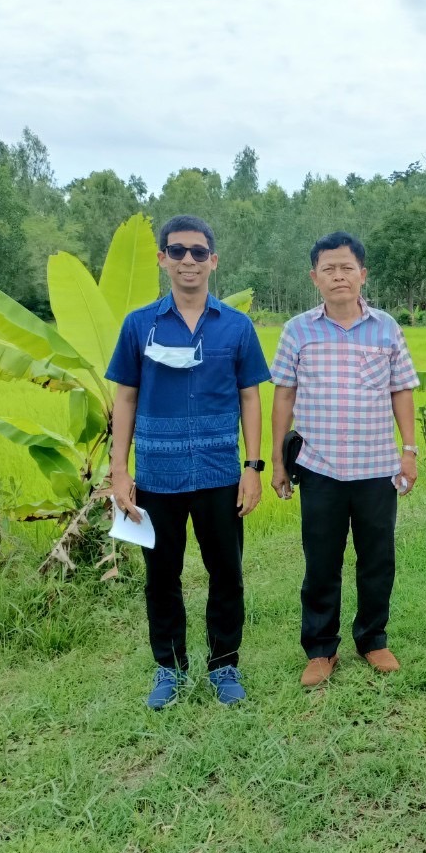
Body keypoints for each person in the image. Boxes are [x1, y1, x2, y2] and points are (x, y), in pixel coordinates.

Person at [107, 215, 272, 709]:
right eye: (177, 251)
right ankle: (169, 669)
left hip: (221, 474)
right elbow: (126, 398)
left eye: (198, 252)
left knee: (227, 574)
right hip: (157, 477)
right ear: (162, 259)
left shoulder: (237, 327)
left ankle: (224, 667)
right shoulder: (140, 325)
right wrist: (119, 471)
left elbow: (250, 399)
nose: (188, 261)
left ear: (213, 261)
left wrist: (253, 467)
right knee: (162, 577)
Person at [269, 231, 420, 688]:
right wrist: (278, 462)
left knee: (377, 559)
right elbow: (283, 396)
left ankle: (373, 640)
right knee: (321, 561)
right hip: (320, 469)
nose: (339, 275)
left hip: (377, 468)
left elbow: (401, 391)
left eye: (347, 267)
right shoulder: (298, 330)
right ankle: (320, 649)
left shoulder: (386, 328)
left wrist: (409, 451)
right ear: (314, 277)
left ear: (362, 274)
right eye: (329, 268)